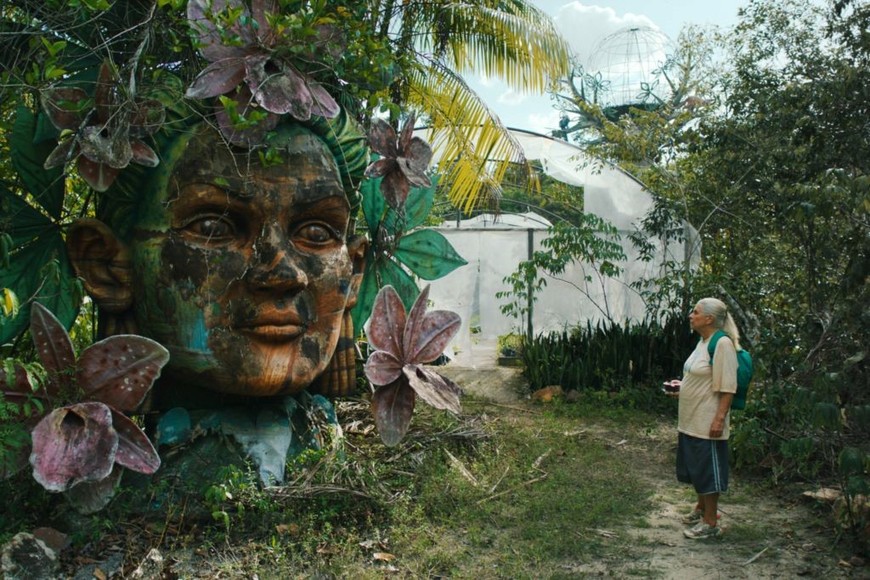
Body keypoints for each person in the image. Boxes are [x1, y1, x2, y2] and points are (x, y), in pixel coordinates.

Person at [674, 297, 739, 539]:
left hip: (707, 420)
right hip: (691, 419)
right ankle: (701, 509)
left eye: (696, 312)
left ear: (709, 318)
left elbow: (728, 387)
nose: (691, 316)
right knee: (696, 468)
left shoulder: (722, 344)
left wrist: (719, 419)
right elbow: (700, 375)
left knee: (708, 471)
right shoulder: (704, 342)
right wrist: (681, 387)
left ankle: (711, 523)